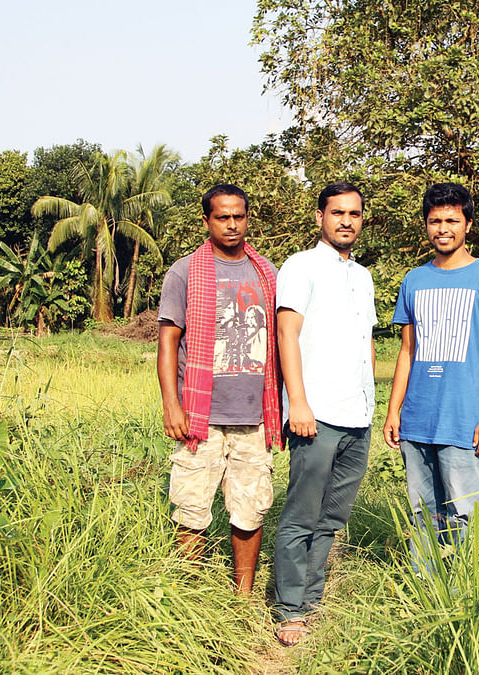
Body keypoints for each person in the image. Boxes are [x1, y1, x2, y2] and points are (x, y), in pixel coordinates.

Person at [156, 183, 282, 597]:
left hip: (254, 416)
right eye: (222, 217)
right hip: (200, 415)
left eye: (238, 216)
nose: (231, 225)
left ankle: (242, 597)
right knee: (191, 508)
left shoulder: (268, 273)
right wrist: (171, 405)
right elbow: (169, 342)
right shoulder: (184, 272)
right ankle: (192, 598)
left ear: (248, 218)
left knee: (250, 510)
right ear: (207, 220)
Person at [383, 182, 479, 571]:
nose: (443, 228)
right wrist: (393, 411)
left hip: (464, 422)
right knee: (422, 515)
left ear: (468, 224)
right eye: (435, 220)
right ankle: (426, 591)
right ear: (426, 225)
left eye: (452, 220)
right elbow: (407, 352)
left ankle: (462, 596)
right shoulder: (414, 280)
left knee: (465, 515)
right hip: (418, 419)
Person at [273, 182, 375, 646]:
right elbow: (286, 335)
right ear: (320, 217)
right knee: (301, 516)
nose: (346, 221)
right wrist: (298, 402)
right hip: (316, 414)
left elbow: (365, 343)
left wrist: (375, 405)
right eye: (337, 213)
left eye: (354, 213)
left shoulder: (363, 276)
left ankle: (311, 600)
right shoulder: (301, 267)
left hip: (358, 415)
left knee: (332, 519)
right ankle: (290, 607)